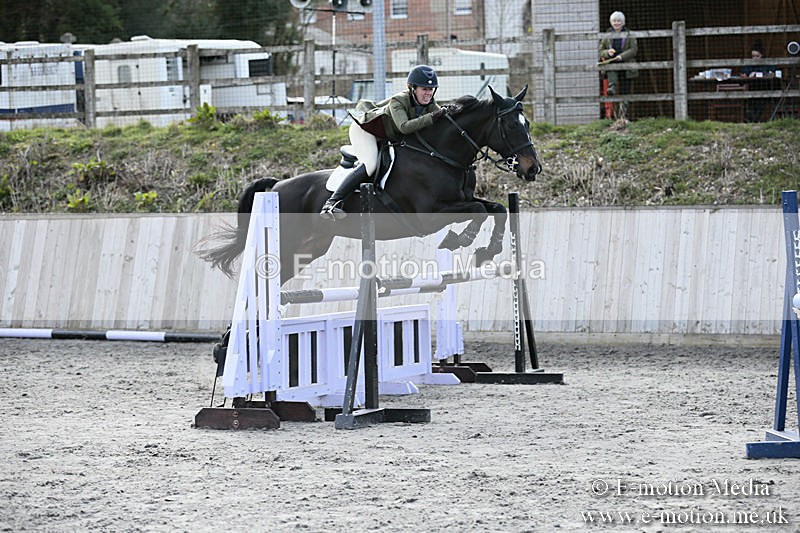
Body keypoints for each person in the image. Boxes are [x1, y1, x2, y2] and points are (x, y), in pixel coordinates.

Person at [320, 65, 454, 220]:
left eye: (431, 89)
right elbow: (404, 127)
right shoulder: (398, 100)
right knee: (370, 165)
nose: (428, 94)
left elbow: (438, 124)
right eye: (424, 89)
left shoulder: (431, 104)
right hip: (365, 131)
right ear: (412, 88)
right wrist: (433, 117)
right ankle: (332, 203)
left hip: (386, 134)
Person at [599, 11, 638, 116]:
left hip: (627, 66)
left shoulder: (630, 34)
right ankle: (612, 87)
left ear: (623, 22)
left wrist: (622, 56)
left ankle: (623, 115)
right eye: (614, 21)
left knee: (626, 91)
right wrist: (608, 52)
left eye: (619, 21)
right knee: (613, 85)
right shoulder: (607, 35)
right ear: (611, 22)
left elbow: (633, 49)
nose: (616, 23)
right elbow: (601, 50)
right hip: (613, 65)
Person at [740, 41, 776, 122]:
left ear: (762, 55)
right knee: (752, 99)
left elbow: (773, 73)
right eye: (753, 56)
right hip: (752, 88)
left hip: (765, 88)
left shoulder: (767, 63)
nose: (755, 58)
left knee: (760, 100)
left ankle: (754, 119)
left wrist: (764, 74)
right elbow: (743, 73)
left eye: (757, 56)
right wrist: (744, 75)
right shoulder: (749, 64)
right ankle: (753, 118)